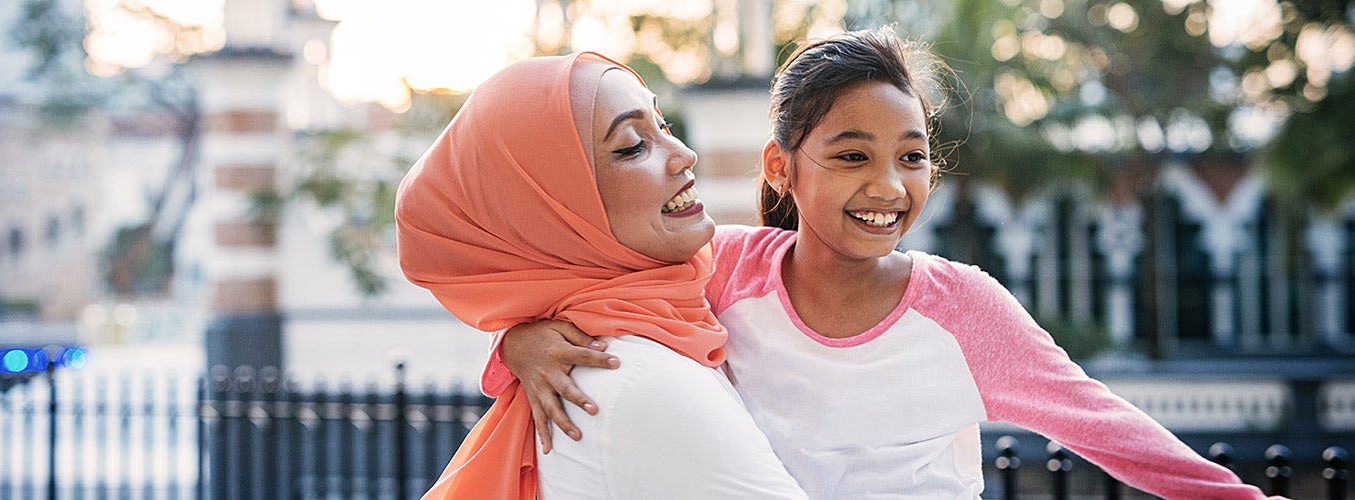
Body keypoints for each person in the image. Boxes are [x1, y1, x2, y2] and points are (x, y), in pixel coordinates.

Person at [497, 27, 1278, 499]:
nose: (889, 186)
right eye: (851, 155)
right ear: (781, 167)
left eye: (913, 157)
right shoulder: (726, 269)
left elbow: (1113, 431)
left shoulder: (963, 307)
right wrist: (521, 340)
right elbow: (592, 294)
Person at [395, 52, 808, 499]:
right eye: (633, 146)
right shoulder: (634, 380)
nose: (684, 154)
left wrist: (517, 337)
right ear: (553, 211)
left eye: (663, 125)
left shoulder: (638, 326)